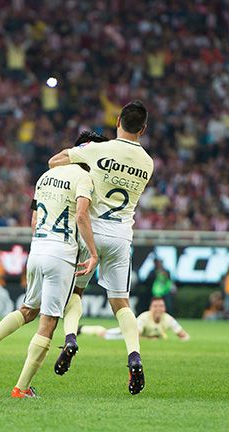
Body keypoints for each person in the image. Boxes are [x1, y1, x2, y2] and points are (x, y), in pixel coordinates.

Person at [0, 131, 100, 398]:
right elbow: (82, 215)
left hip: (37, 249)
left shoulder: (45, 177)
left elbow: (34, 220)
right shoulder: (84, 178)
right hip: (61, 253)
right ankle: (21, 388)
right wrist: (93, 252)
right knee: (48, 323)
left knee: (27, 310)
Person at [48, 100, 154, 395]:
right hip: (122, 237)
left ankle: (70, 337)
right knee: (121, 304)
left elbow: (54, 162)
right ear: (143, 129)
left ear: (117, 120)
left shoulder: (99, 149)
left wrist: (83, 163)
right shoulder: (148, 162)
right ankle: (134, 355)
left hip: (89, 232)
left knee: (76, 292)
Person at [79, 297, 190, 341]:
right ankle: (82, 328)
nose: (158, 309)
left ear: (164, 308)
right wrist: (151, 339)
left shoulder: (168, 319)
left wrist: (182, 341)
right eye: (155, 306)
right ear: (151, 308)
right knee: (105, 334)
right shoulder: (144, 317)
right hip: (128, 331)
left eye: (161, 306)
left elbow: (184, 336)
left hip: (138, 335)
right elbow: (136, 335)